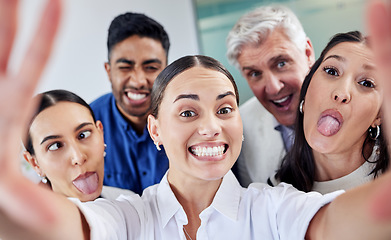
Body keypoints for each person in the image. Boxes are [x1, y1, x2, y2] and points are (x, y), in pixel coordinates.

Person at [3, 1, 391, 239]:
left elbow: (332, 225)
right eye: (188, 112)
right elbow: (72, 227)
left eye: (224, 109)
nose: (211, 127)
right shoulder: (129, 215)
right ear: (155, 129)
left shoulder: (273, 206)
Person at [269, 31, 389, 194]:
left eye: (366, 83)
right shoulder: (275, 193)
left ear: (379, 115)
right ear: (307, 89)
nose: (341, 93)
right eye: (332, 71)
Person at [226, 5, 315, 186]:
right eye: (255, 74)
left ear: (307, 54)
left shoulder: (351, 104)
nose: (273, 88)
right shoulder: (243, 124)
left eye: (281, 63)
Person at [89, 12, 170, 194]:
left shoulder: (190, 120)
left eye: (151, 68)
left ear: (166, 71)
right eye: (125, 67)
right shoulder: (86, 125)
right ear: (109, 71)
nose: (138, 81)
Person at [22, 89, 135, 201]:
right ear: (34, 163)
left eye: (83, 135)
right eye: (55, 146)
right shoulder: (24, 219)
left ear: (100, 133)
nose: (79, 158)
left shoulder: (128, 201)